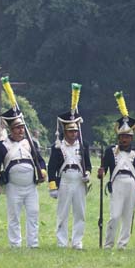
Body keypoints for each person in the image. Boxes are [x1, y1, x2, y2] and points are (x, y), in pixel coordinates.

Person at [0, 109, 47, 248]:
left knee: (33, 214)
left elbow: (40, 161)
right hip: (13, 186)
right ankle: (15, 244)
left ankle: (33, 243)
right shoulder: (1, 146)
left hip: (30, 186)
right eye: (18, 127)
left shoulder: (31, 144)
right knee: (14, 216)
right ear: (11, 129)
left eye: (22, 127)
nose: (21, 130)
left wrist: (42, 170)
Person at [98, 97, 135, 249]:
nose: (124, 139)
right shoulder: (110, 151)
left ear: (131, 138)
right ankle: (108, 244)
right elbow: (104, 170)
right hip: (117, 183)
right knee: (115, 216)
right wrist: (101, 172)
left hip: (131, 184)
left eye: (127, 137)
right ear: (118, 137)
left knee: (128, 216)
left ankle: (122, 245)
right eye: (122, 136)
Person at [47, 107, 92, 250]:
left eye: (75, 131)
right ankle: (62, 242)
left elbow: (88, 165)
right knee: (63, 213)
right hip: (65, 180)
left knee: (80, 213)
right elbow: (52, 168)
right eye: (71, 131)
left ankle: (77, 242)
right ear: (65, 131)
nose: (74, 134)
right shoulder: (57, 146)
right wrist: (53, 186)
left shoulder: (83, 145)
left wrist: (88, 175)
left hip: (79, 180)